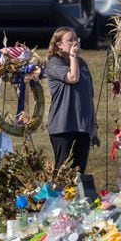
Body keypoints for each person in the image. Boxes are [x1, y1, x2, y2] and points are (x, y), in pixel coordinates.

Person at [45, 27, 98, 174]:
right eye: (70, 40)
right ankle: (57, 197)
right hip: (63, 125)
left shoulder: (82, 64)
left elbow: (89, 96)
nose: (74, 43)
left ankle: (76, 197)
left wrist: (94, 124)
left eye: (76, 39)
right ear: (58, 45)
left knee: (79, 170)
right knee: (62, 170)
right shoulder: (54, 63)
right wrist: (73, 57)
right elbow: (73, 78)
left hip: (83, 125)